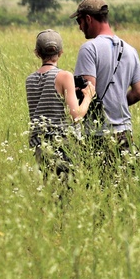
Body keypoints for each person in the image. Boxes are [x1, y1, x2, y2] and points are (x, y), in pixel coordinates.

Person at [71, 0, 140, 173]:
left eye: (79, 21)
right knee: (124, 190)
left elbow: (89, 90)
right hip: (125, 133)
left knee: (98, 190)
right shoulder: (130, 50)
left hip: (96, 135)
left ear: (88, 19)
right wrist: (117, 103)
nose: (80, 27)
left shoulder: (89, 49)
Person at [25, 30, 96, 177]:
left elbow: (47, 101)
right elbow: (75, 115)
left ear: (37, 53)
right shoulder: (64, 76)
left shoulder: (30, 79)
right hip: (62, 144)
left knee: (50, 191)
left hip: (40, 144)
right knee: (66, 190)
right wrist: (88, 96)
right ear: (61, 52)